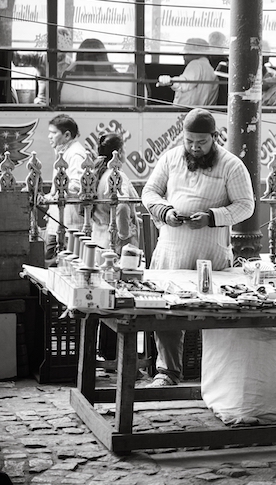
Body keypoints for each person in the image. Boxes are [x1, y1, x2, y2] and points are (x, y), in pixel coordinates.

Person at [141, 108, 255, 387]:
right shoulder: (170, 158)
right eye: (189, 141)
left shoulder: (231, 165)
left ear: (214, 137)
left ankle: (217, 375)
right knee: (166, 312)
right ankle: (167, 372)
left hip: (210, 255)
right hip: (171, 251)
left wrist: (212, 217)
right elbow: (149, 192)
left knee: (215, 314)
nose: (194, 147)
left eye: (201, 142)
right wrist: (164, 211)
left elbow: (246, 205)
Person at [44, 114, 89, 265]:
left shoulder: (76, 154)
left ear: (67, 135)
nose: (49, 136)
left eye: (53, 133)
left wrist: (52, 197)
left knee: (59, 266)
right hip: (59, 222)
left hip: (69, 226)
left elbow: (76, 187)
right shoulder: (65, 151)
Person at [88, 133, 140, 253]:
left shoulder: (99, 173)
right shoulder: (116, 176)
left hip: (99, 238)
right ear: (119, 152)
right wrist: (125, 233)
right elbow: (122, 207)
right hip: (116, 244)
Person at [157, 38, 219, 106]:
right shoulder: (211, 70)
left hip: (186, 111)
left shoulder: (195, 64)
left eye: (187, 51)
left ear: (195, 52)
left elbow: (185, 83)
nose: (184, 56)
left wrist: (170, 81)